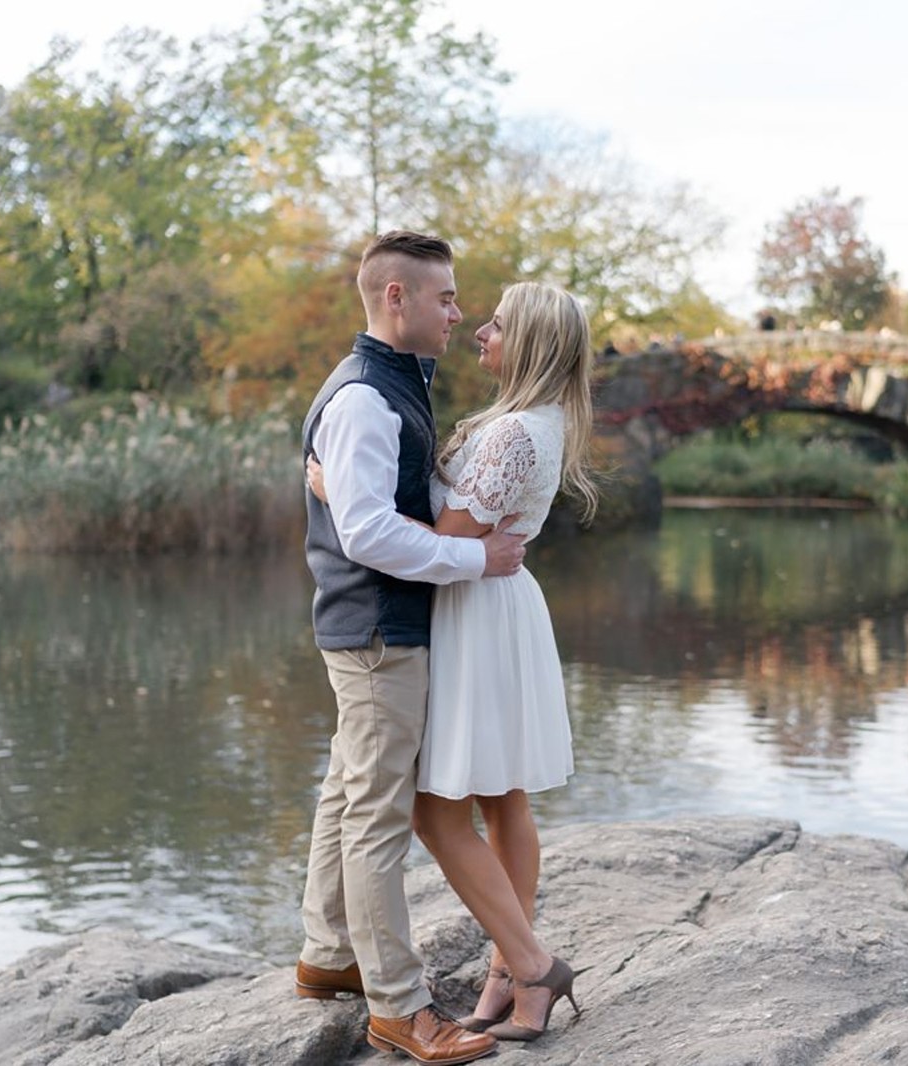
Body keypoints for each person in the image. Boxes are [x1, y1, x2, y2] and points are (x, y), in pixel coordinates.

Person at [306, 280, 597, 1044]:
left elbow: (446, 528)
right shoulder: (532, 419)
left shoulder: (510, 435)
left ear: (528, 343)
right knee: (502, 799)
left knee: (439, 811)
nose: (479, 331)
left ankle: (529, 965)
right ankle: (511, 975)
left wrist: (341, 488)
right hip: (492, 605)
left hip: (476, 609)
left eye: (496, 325)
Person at [297, 230, 526, 1066]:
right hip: (378, 631)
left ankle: (328, 957)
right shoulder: (365, 394)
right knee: (377, 815)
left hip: (375, 628)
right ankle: (398, 1007)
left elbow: (372, 502)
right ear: (397, 297)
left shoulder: (394, 384)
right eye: (446, 298)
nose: (458, 313)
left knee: (346, 789)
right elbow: (363, 533)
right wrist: (477, 556)